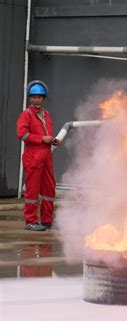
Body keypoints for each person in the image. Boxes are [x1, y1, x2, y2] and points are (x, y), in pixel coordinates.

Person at [17, 80, 60, 232]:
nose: (36, 99)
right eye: (33, 96)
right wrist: (41, 139)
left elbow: (46, 134)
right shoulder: (26, 114)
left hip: (46, 155)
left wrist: (53, 140)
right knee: (32, 191)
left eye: (39, 97)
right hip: (33, 156)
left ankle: (47, 220)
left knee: (49, 188)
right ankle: (31, 221)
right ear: (29, 98)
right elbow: (22, 135)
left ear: (44, 98)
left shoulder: (46, 115)